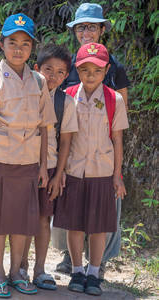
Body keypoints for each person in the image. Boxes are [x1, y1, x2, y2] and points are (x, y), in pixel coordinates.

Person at [0, 13, 56, 297]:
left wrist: (44, 166)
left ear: (32, 47)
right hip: (0, 162)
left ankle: (16, 272)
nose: (18, 49)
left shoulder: (40, 82)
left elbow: (45, 128)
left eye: (25, 43)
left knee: (22, 220)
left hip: (29, 163)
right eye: (12, 42)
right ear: (2, 44)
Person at [54, 2, 130, 276]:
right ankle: (69, 258)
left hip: (103, 154)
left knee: (103, 215)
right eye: (81, 26)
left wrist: (117, 170)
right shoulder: (67, 67)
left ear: (101, 29)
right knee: (70, 211)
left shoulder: (114, 68)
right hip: (73, 154)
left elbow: (121, 117)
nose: (86, 31)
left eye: (92, 26)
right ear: (74, 31)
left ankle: (98, 264)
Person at [19, 44, 78, 290]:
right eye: (47, 69)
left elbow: (65, 141)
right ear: (36, 69)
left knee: (43, 219)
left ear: (66, 76)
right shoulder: (24, 95)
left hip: (51, 167)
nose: (52, 76)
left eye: (60, 72)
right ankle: (19, 267)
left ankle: (39, 269)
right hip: (22, 164)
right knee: (21, 219)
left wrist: (59, 174)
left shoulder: (66, 103)